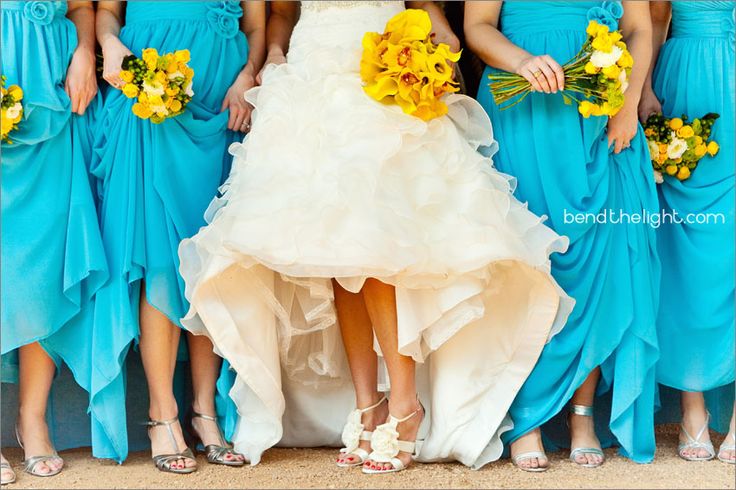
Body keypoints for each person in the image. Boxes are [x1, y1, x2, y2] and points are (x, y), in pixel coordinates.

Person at [178, 0, 572, 474]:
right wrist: (277, 53)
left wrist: (441, 44)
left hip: (383, 78)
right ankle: (369, 406)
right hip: (312, 80)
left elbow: (426, 7)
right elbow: (281, 11)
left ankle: (406, 404)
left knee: (377, 252)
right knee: (334, 256)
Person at [467, 0, 660, 470]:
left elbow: (637, 27)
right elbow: (477, 26)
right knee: (528, 265)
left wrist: (628, 103)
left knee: (597, 266)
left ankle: (582, 415)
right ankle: (523, 419)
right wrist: (521, 61)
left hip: (600, 114)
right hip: (522, 110)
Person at [91, 0, 265, 473]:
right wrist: (109, 44)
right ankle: (162, 413)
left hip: (222, 104)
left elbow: (255, 25)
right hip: (151, 99)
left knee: (213, 265)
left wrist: (247, 75)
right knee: (161, 263)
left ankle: (204, 412)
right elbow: (106, 11)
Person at [1, 0, 107, 481]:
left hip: (55, 90)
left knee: (40, 266)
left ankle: (33, 420)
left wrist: (84, 51)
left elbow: (83, 5)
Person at [639, 0, 735, 464]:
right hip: (689, 80)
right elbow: (656, 15)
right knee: (691, 253)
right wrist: (645, 87)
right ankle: (692, 405)